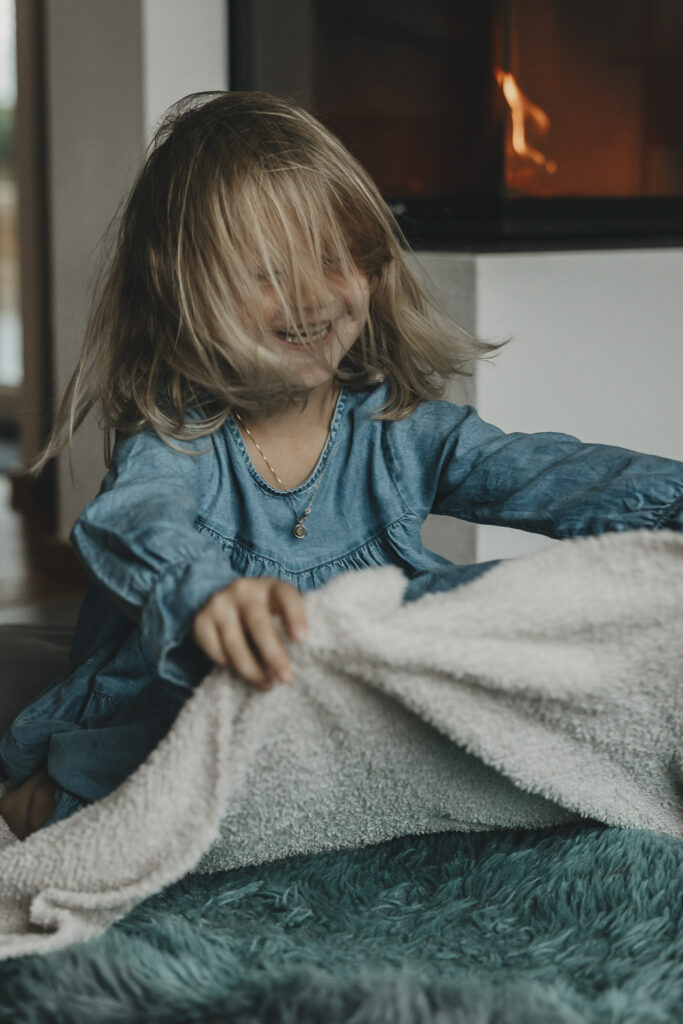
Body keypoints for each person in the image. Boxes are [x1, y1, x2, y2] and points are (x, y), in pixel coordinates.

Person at [0, 91, 681, 842]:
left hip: (349, 703)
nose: (315, 295)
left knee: (513, 632)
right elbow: (134, 518)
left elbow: (548, 471)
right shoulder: (179, 439)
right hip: (207, 691)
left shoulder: (396, 428)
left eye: (336, 258)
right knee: (153, 780)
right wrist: (204, 596)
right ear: (182, 290)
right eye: (268, 272)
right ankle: (41, 794)